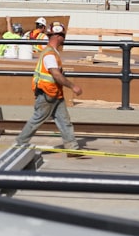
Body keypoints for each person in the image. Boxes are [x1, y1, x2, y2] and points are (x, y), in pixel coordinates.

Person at [14, 22, 85, 157]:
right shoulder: (50, 54)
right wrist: (73, 86)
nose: (64, 39)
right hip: (47, 94)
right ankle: (19, 143)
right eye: (63, 36)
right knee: (37, 119)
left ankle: (72, 148)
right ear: (58, 36)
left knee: (64, 121)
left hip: (55, 94)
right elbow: (56, 74)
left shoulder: (52, 53)